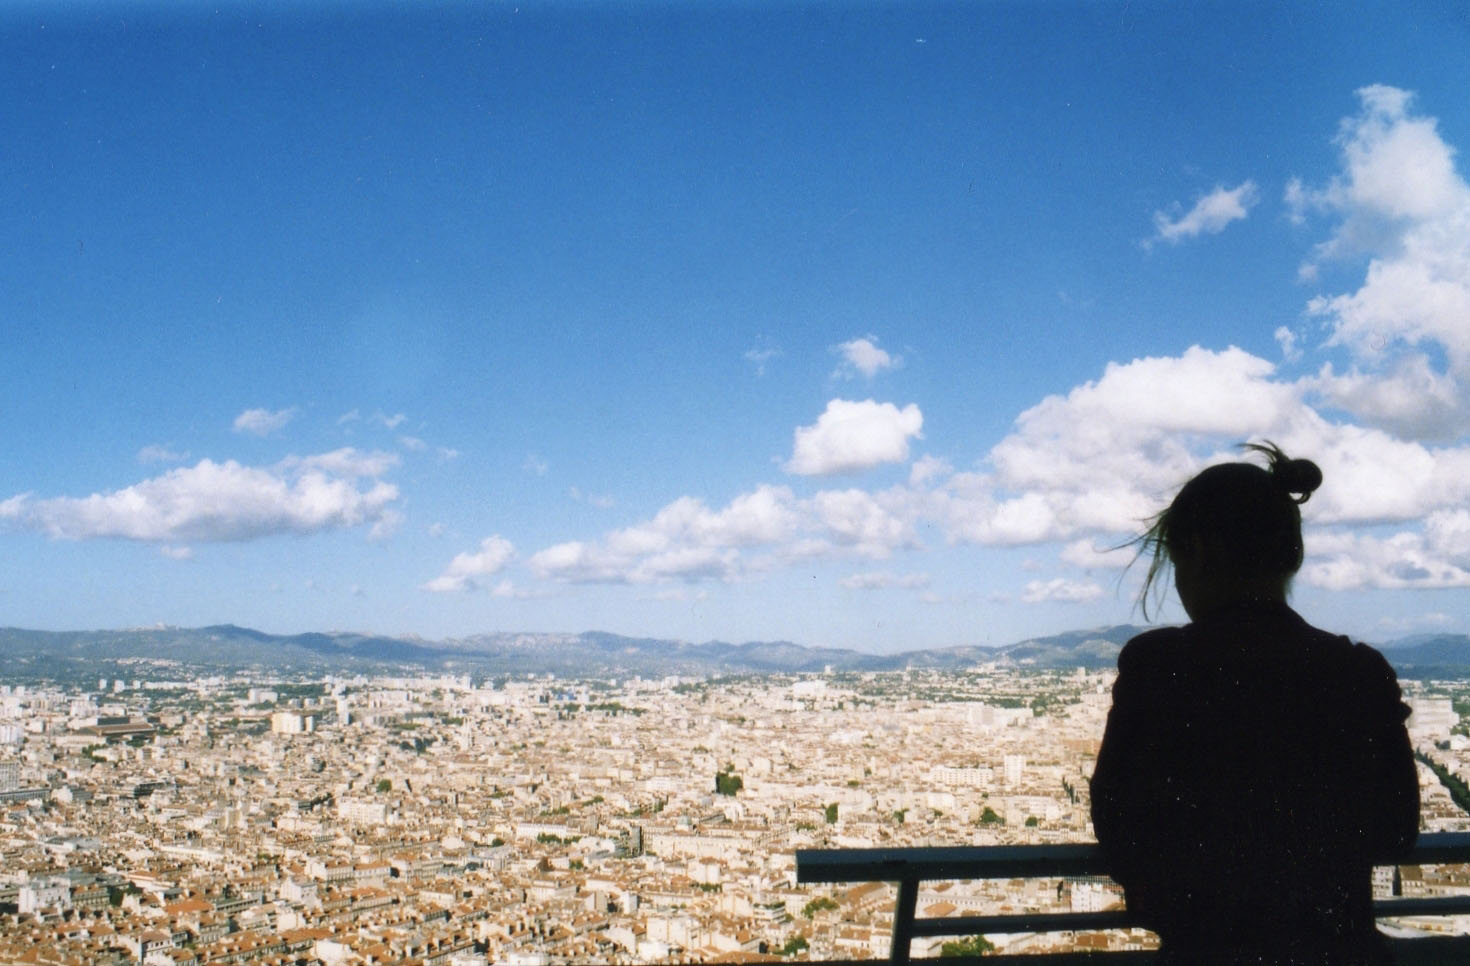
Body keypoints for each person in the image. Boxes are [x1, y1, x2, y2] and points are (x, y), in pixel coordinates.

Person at [1090, 442, 1419, 965]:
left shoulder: (1159, 667)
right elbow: (1396, 829)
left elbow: (1119, 827)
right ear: (1290, 554)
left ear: (1196, 551)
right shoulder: (1359, 670)